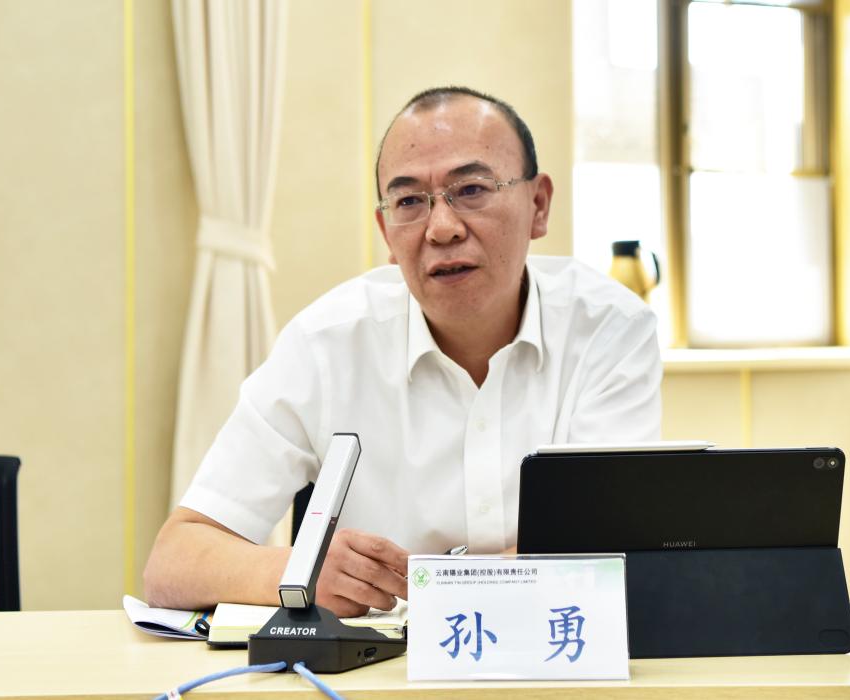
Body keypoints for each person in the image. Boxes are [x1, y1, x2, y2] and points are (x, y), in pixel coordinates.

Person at [144, 86, 662, 616]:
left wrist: (434, 586)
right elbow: (174, 561)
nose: (442, 229)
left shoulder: (610, 330)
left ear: (539, 205)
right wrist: (300, 570)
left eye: (472, 189)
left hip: (558, 647)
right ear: (387, 233)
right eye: (410, 202)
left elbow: (614, 549)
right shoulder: (326, 344)